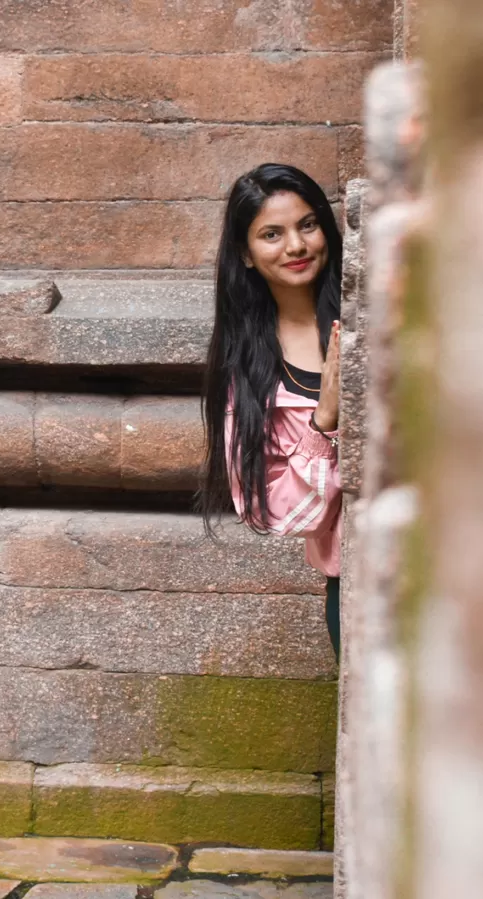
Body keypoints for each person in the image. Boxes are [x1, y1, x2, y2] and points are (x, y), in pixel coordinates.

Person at [199, 163, 343, 656]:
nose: (297, 247)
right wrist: (322, 422)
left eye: (307, 224)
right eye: (271, 234)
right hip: (356, 585)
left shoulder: (375, 304)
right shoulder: (250, 369)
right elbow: (269, 509)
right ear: (245, 252)